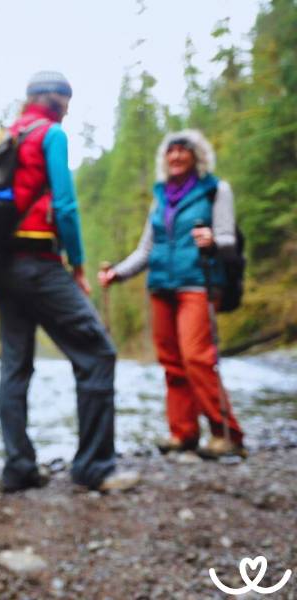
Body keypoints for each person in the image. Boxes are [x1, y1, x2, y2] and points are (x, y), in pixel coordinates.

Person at [0, 71, 139, 492]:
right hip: (39, 262)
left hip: (1, 266)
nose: (69, 108)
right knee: (97, 354)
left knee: (14, 367)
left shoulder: (7, 135)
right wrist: (77, 264)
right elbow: (67, 206)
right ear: (56, 101)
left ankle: (18, 468)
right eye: (67, 100)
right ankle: (94, 467)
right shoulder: (50, 135)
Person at [99, 130, 246, 459]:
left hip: (198, 283)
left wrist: (211, 239)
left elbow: (228, 240)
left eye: (183, 151)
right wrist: (117, 273)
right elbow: (146, 249)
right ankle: (184, 433)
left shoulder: (215, 190)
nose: (176, 156)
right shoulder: (161, 196)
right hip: (161, 286)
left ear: (197, 156)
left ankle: (227, 434)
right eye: (171, 151)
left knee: (197, 358)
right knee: (171, 363)